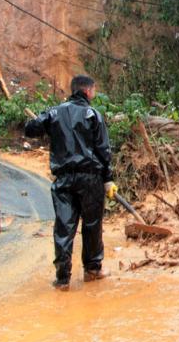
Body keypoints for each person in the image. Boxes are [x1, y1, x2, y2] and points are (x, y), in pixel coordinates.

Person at [24, 74, 116, 291]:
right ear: (87, 91)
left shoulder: (54, 112)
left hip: (63, 179)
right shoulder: (92, 114)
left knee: (64, 226)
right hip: (90, 177)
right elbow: (103, 149)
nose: (93, 93)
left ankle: (62, 278)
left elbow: (30, 129)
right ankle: (93, 270)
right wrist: (108, 179)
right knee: (92, 224)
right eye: (93, 90)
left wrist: (42, 120)